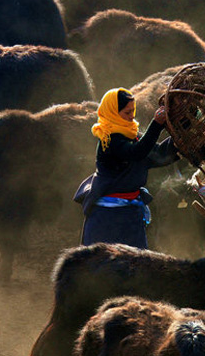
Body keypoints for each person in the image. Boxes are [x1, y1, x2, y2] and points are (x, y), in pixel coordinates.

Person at [74, 87, 179, 248]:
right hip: (107, 216)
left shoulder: (132, 134)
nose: (132, 116)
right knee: (104, 265)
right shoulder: (108, 140)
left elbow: (157, 155)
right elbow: (137, 153)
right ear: (113, 113)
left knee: (135, 266)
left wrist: (180, 140)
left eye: (133, 111)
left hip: (130, 214)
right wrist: (157, 124)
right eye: (127, 113)